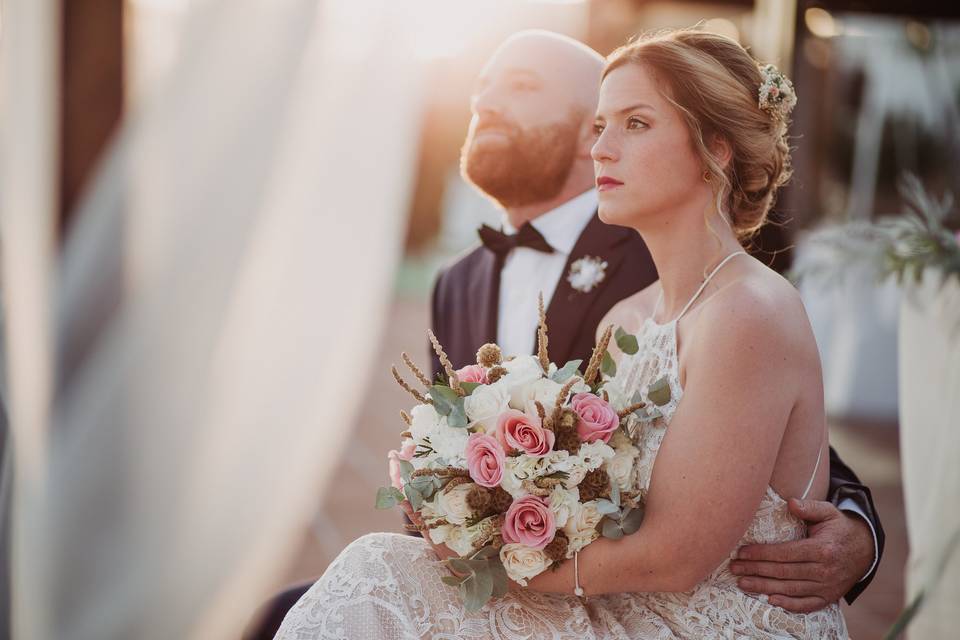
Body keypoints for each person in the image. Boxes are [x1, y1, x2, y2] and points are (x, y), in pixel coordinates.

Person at [263, 29, 883, 639]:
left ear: (716, 148)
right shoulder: (615, 318)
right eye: (601, 126)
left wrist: (860, 530)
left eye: (634, 124)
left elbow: (704, 527)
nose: (603, 149)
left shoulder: (748, 309)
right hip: (606, 593)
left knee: (375, 575)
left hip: (710, 616)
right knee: (359, 580)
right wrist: (452, 505)